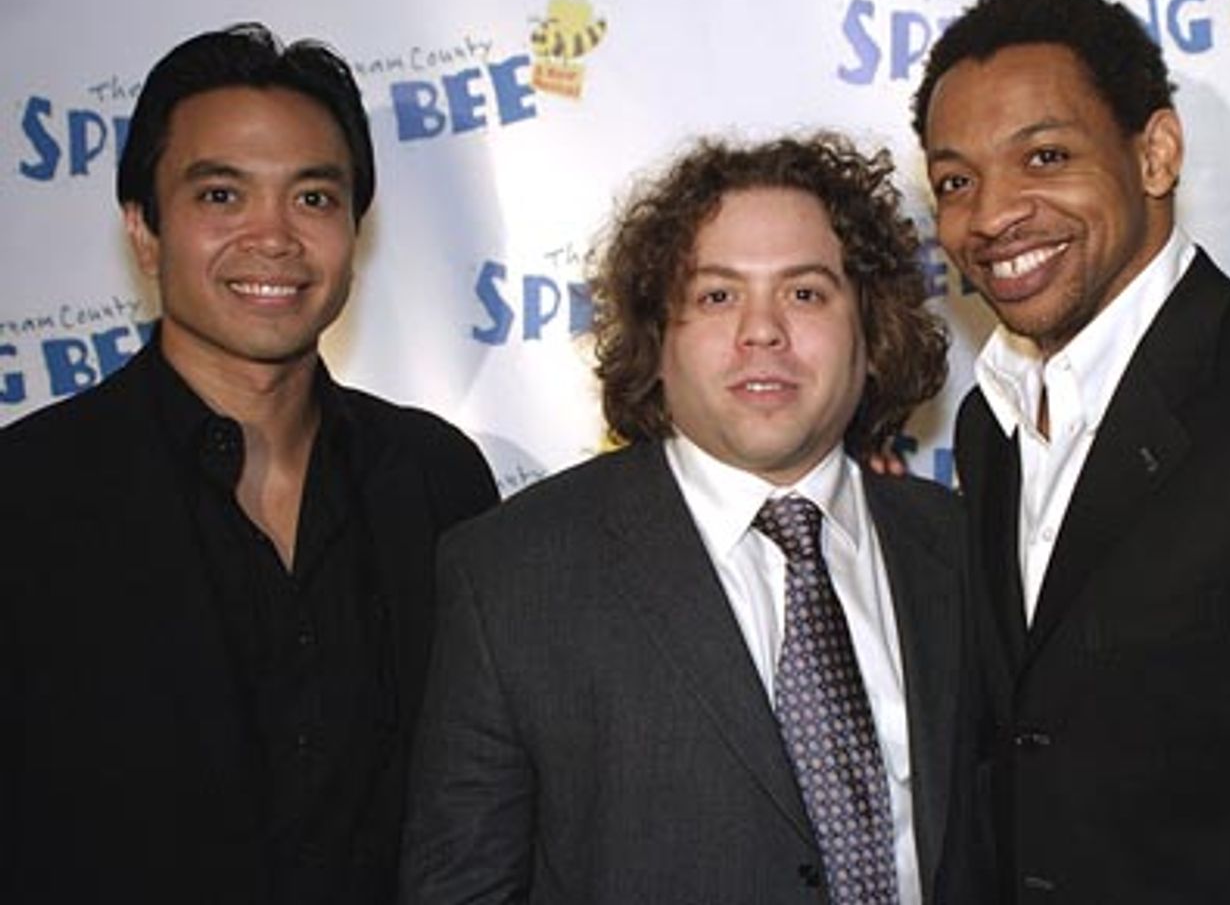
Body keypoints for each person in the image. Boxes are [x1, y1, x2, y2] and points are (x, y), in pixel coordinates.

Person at [913, 0, 1230, 904]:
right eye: (955, 181)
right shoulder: (989, 422)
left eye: (1045, 156)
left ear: (1155, 154)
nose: (992, 214)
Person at [400, 134, 982, 904]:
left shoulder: (965, 547)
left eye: (806, 293)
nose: (762, 329)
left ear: (872, 331)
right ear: (656, 339)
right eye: (717, 296)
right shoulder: (511, 574)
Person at [0, 23, 499, 904]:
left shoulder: (438, 480)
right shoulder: (30, 495)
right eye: (222, 195)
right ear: (144, 231)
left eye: (313, 197)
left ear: (354, 230)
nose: (273, 237)